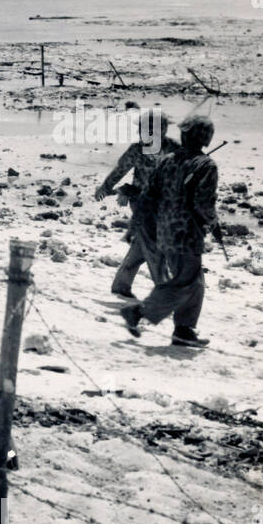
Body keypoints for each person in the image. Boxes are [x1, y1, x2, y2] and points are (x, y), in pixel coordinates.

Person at [122, 115, 221, 349]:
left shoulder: (167, 160)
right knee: (185, 282)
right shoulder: (206, 165)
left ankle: (184, 331)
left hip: (164, 229)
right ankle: (138, 312)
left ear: (185, 135)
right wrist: (213, 223)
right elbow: (203, 204)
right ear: (207, 139)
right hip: (187, 232)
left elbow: (147, 197)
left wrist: (137, 224)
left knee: (194, 282)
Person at [96, 110, 176, 298]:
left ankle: (121, 285)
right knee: (154, 245)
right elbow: (120, 170)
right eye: (142, 130)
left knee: (143, 244)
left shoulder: (174, 149)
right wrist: (106, 187)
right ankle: (164, 291)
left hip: (165, 206)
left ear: (162, 131)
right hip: (141, 203)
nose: (144, 134)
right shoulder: (137, 150)